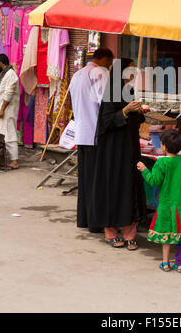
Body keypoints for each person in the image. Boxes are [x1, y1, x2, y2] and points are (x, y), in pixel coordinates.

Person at [89, 58, 147, 250]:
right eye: (131, 70)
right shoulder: (110, 92)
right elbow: (105, 122)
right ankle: (111, 231)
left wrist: (138, 112)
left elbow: (135, 119)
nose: (134, 74)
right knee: (113, 186)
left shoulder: (128, 91)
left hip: (129, 147)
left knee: (129, 185)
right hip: (113, 150)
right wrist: (124, 111)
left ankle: (130, 231)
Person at [137, 129, 181, 273]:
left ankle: (165, 263)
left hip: (166, 206)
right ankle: (180, 263)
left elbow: (154, 181)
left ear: (163, 146)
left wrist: (144, 169)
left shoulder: (161, 163)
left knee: (166, 236)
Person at [69, 47, 113, 232]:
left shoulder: (77, 75)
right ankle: (95, 223)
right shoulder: (99, 74)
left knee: (85, 180)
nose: (110, 67)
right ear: (103, 60)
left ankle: (84, 219)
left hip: (81, 132)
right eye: (109, 63)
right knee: (96, 181)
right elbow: (105, 102)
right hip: (95, 133)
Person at [0, 54, 20, 170]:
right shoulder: (5, 74)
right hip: (2, 109)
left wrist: (2, 109)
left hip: (7, 110)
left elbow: (8, 94)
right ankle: (2, 158)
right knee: (1, 134)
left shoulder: (11, 74)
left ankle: (14, 161)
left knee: (9, 133)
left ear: (0, 63)